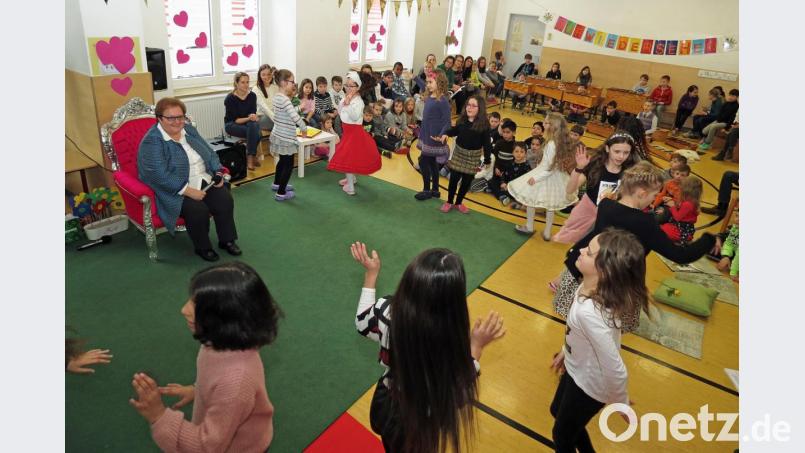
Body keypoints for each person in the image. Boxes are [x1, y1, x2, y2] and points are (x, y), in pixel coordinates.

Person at [350, 242, 505, 453]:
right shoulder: (448, 338)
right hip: (423, 419)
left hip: (388, 405)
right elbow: (457, 390)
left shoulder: (386, 311)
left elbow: (362, 323)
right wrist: (476, 346)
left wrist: (371, 273)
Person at [129, 261, 281, 453]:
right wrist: (198, 390)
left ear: (225, 318)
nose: (184, 310)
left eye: (197, 305)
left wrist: (158, 416)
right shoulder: (219, 342)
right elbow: (217, 381)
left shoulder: (235, 381)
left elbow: (206, 447)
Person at [550, 162, 719, 323]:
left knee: (578, 321)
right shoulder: (646, 223)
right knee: (602, 326)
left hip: (585, 275)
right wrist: (709, 239)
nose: (654, 200)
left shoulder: (606, 204)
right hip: (613, 287)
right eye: (654, 195)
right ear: (642, 194)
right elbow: (680, 256)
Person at [549, 229, 646, 453]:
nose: (581, 250)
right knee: (558, 413)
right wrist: (566, 350)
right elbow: (577, 332)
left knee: (561, 436)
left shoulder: (591, 313)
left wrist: (620, 401)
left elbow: (615, 367)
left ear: (605, 270)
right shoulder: (589, 286)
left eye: (589, 252)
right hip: (576, 370)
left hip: (591, 386)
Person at [139, 97, 241, 261]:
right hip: (175, 189)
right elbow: (158, 174)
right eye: (171, 118)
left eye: (180, 116)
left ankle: (227, 240)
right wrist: (187, 191)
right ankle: (203, 247)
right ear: (159, 118)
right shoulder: (152, 141)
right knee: (197, 211)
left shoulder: (189, 130)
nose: (177, 121)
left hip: (203, 179)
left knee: (224, 200)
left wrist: (218, 171)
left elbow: (210, 152)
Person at [552, 133, 637, 244]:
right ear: (607, 148)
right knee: (581, 247)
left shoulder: (629, 171)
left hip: (610, 219)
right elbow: (570, 190)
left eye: (626, 153)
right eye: (617, 151)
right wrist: (579, 168)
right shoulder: (595, 166)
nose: (621, 156)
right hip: (587, 214)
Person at [509, 112, 578, 238]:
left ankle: (530, 227)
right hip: (553, 175)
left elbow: (550, 168)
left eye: (546, 123)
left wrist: (535, 177)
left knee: (531, 200)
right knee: (550, 205)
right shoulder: (558, 141)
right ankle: (547, 233)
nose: (544, 124)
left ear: (552, 126)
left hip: (545, 175)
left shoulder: (552, 144)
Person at [433, 94, 493, 214]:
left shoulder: (484, 125)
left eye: (473, 106)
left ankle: (458, 202)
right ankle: (449, 201)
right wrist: (446, 134)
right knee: (453, 180)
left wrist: (487, 160)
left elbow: (487, 144)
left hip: (473, 157)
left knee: (466, 182)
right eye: (468, 105)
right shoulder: (462, 120)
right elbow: (455, 130)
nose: (469, 108)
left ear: (480, 109)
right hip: (459, 154)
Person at [328, 71, 382, 196]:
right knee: (350, 158)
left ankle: (350, 187)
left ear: (358, 87)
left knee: (347, 159)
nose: (347, 88)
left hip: (354, 133)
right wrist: (344, 103)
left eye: (351, 86)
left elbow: (354, 116)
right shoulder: (347, 97)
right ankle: (351, 179)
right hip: (348, 132)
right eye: (346, 85)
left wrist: (347, 105)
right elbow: (340, 112)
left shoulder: (358, 101)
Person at [269, 69, 308, 201]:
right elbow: (295, 118)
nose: (294, 84)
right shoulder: (285, 100)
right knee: (288, 164)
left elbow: (286, 112)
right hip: (286, 137)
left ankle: (277, 183)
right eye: (292, 81)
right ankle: (281, 192)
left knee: (282, 161)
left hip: (278, 135)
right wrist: (304, 129)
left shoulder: (277, 97)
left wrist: (299, 108)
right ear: (284, 82)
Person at [414, 70, 452, 201]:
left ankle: (426, 190)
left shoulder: (442, 101)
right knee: (431, 162)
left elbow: (447, 121)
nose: (428, 85)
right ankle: (435, 189)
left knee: (423, 162)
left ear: (439, 83)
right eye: (427, 82)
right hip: (426, 134)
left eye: (431, 82)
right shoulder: (431, 95)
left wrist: (442, 135)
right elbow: (424, 86)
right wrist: (414, 78)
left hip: (434, 137)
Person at [224, 72, 261, 170]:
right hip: (232, 124)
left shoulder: (252, 96)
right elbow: (236, 120)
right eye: (243, 82)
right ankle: (251, 157)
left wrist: (254, 117)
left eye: (247, 82)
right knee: (256, 132)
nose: (246, 85)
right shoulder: (230, 98)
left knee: (254, 127)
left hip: (248, 124)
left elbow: (252, 114)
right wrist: (250, 118)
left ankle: (249, 156)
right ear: (236, 83)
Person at [659, 176, 703, 244]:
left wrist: (672, 206)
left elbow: (677, 217)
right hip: (680, 225)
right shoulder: (690, 199)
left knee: (661, 230)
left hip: (681, 229)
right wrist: (671, 200)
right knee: (662, 227)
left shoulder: (688, 204)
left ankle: (682, 239)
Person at [252, 64, 277, 133]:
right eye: (263, 74)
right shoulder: (256, 89)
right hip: (263, 118)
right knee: (285, 124)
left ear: (272, 75)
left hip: (274, 116)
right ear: (259, 76)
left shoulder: (275, 87)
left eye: (269, 74)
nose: (266, 77)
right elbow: (264, 108)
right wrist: (277, 119)